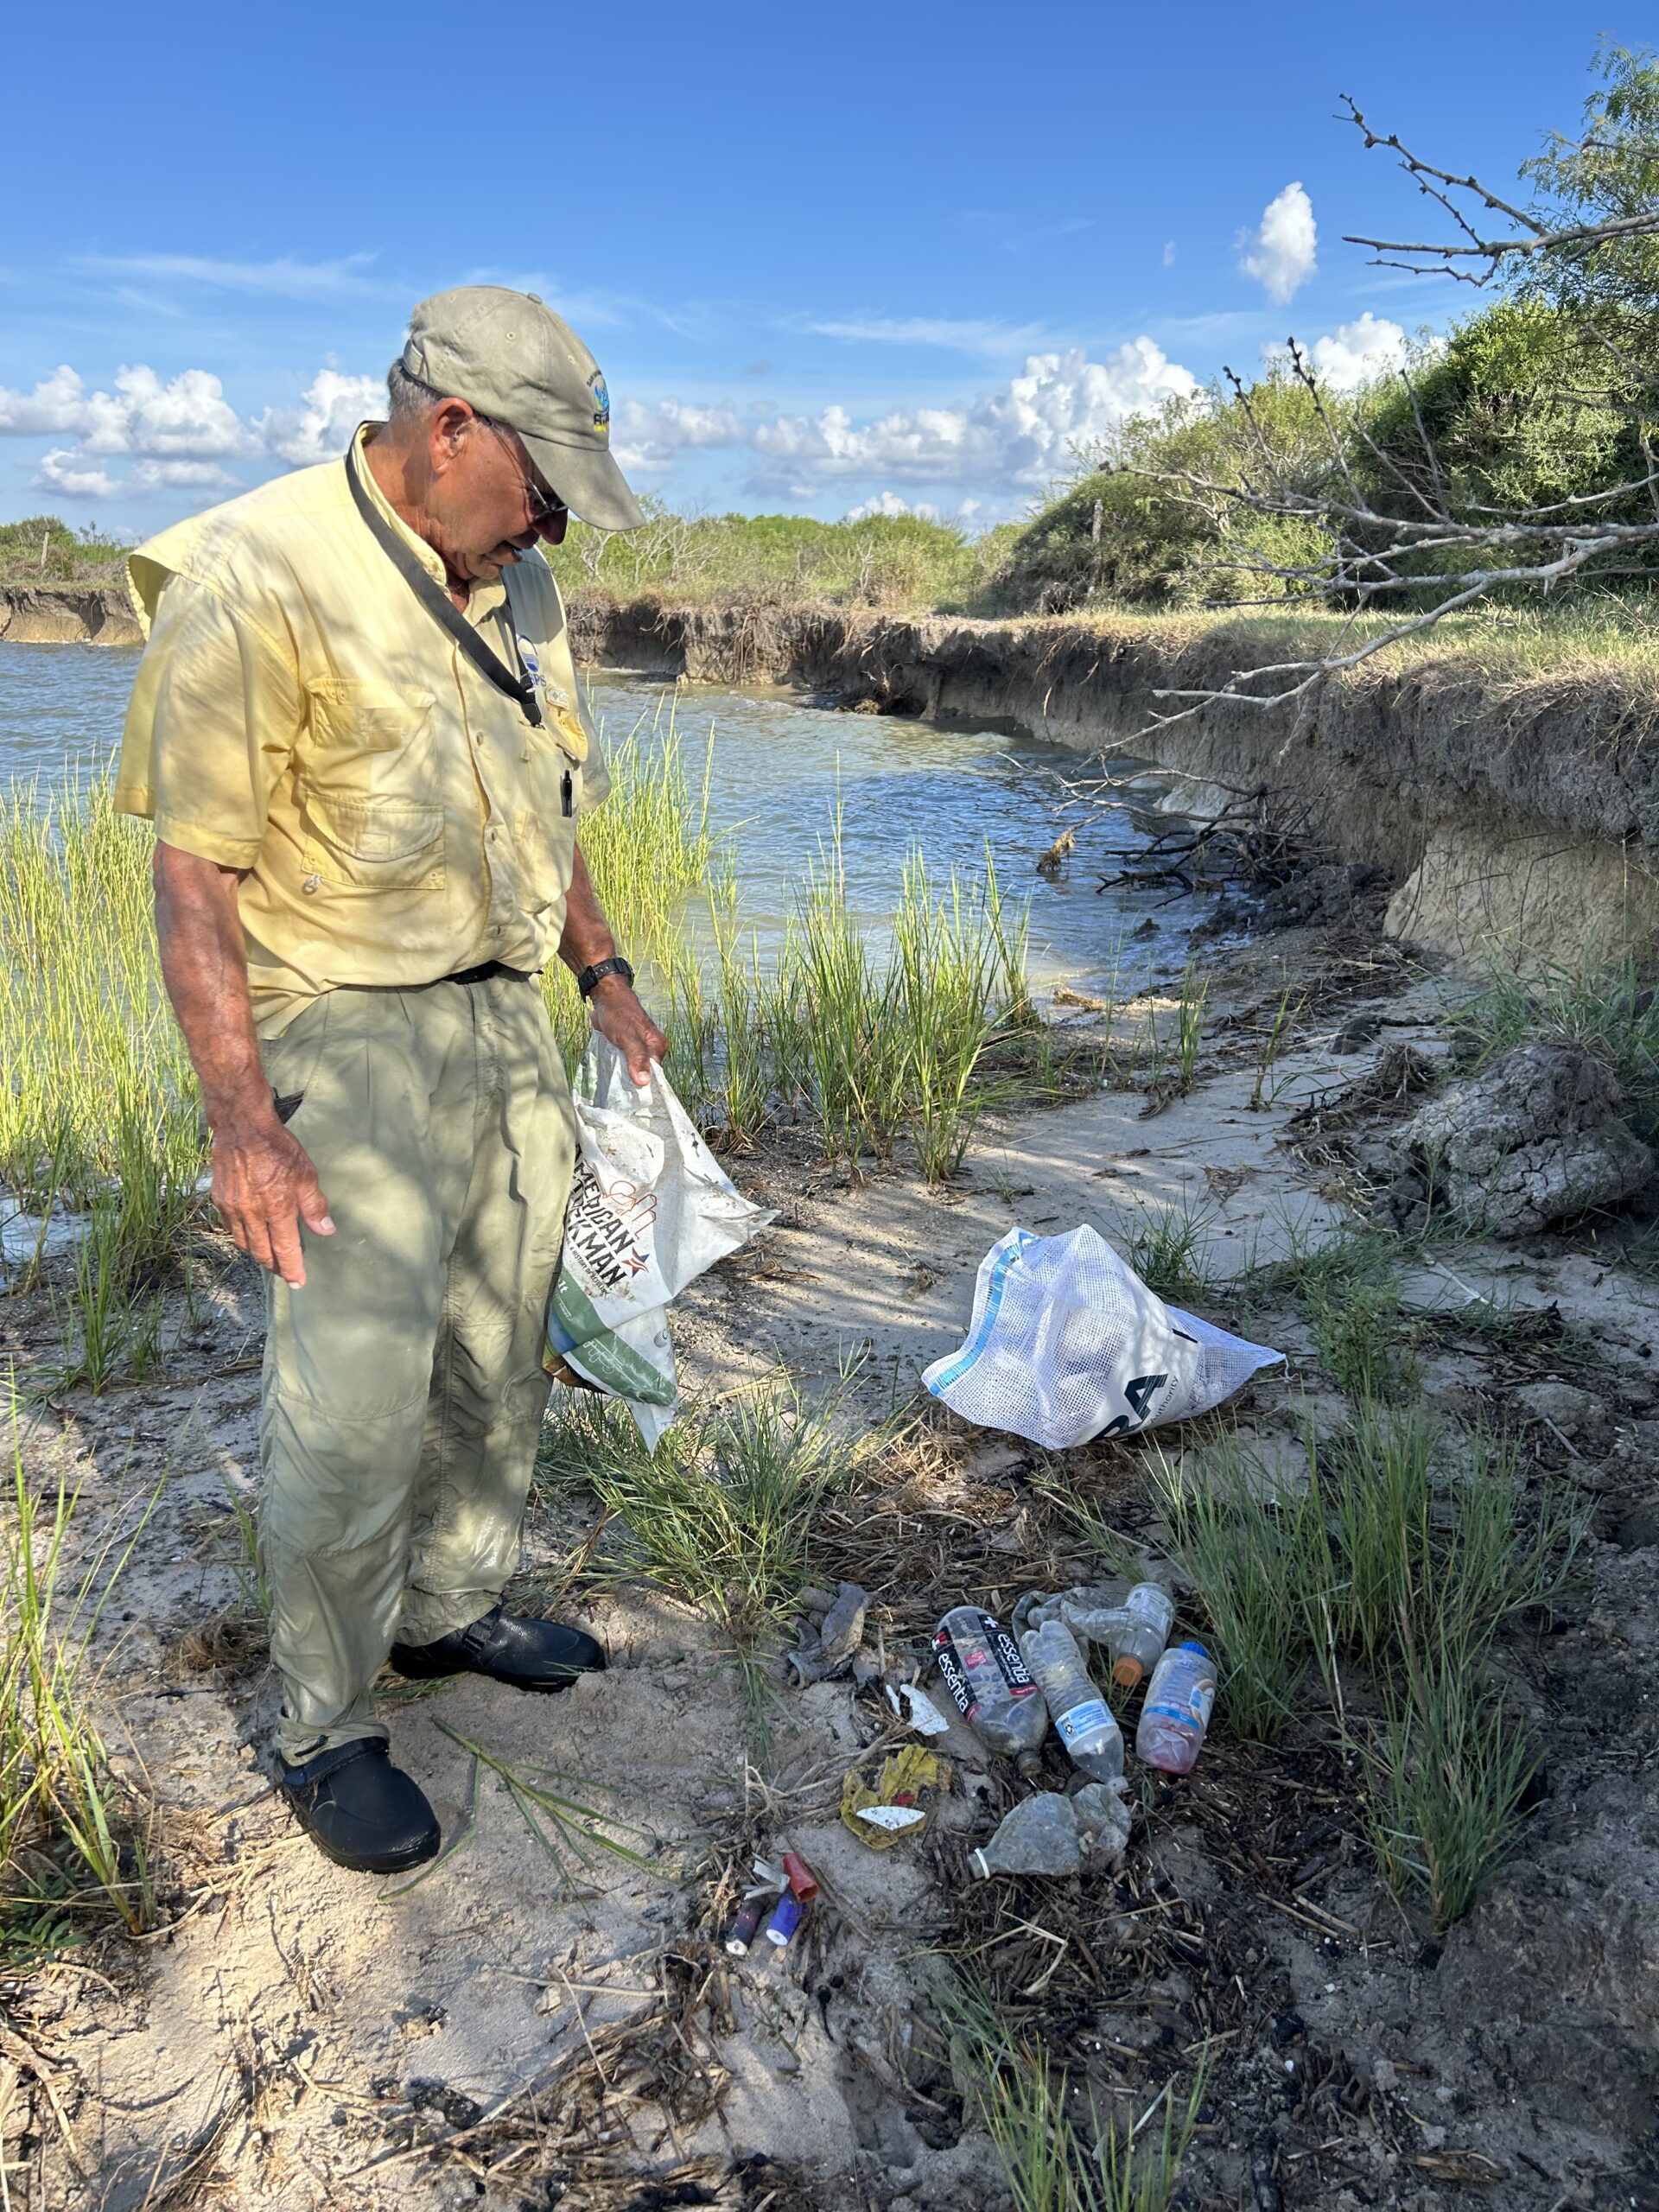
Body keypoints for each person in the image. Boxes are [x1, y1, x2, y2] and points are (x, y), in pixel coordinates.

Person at [115, 287, 667, 1875]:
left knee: (499, 1350)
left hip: (506, 1019)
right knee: (353, 1404)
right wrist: (241, 1123)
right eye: (541, 485)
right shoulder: (258, 574)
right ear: (449, 431)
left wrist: (602, 972)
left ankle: (447, 1613)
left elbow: (536, 802)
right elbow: (195, 877)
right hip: (340, 1024)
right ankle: (327, 1721)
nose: (554, 522)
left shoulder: (525, 584)